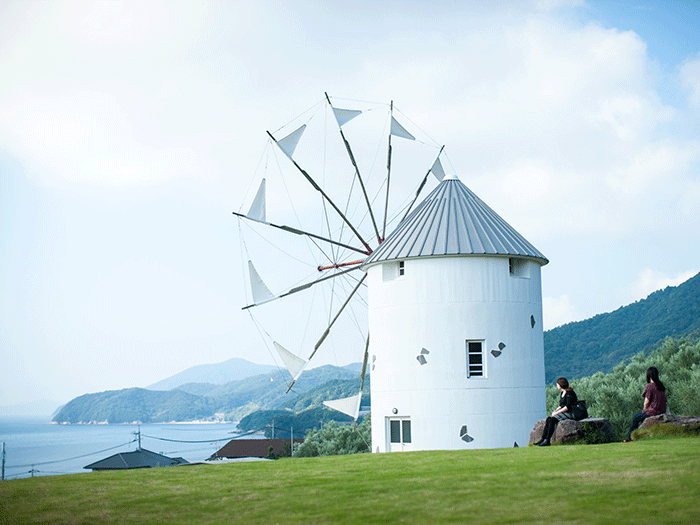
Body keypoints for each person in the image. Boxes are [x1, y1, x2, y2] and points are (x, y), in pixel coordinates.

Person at [623, 366, 667, 442]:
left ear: (649, 375)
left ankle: (629, 438)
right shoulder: (661, 386)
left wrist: (644, 409)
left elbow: (646, 401)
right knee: (639, 417)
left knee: (635, 418)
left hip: (652, 411)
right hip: (662, 411)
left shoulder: (650, 386)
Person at [535, 377, 577, 446]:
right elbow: (561, 405)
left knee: (552, 420)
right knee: (549, 418)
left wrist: (557, 413)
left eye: (557, 384)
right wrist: (555, 411)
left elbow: (567, 407)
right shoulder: (562, 393)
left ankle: (547, 440)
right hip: (564, 412)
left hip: (570, 413)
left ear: (561, 384)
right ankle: (543, 438)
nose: (557, 386)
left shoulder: (569, 393)